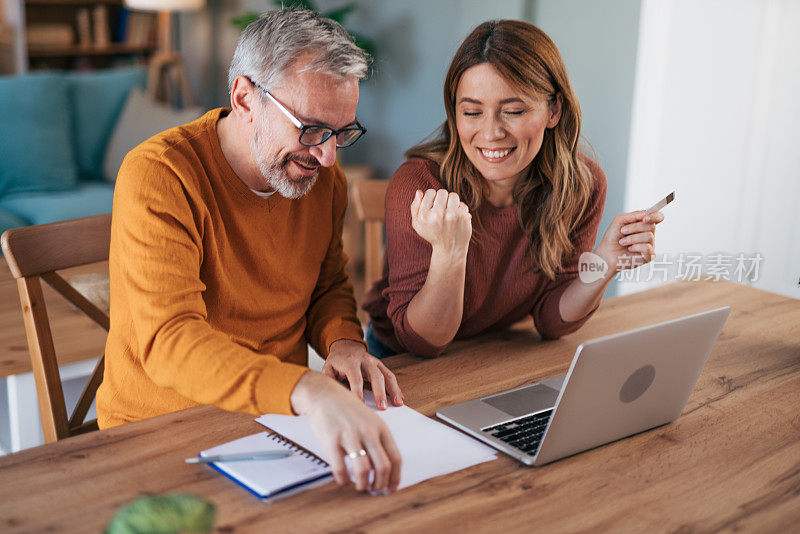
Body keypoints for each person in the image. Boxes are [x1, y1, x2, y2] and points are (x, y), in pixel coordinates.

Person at [96, 8, 403, 493]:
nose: (327, 155)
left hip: (280, 424)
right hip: (160, 436)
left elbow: (327, 283)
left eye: (342, 132)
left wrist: (343, 341)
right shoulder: (159, 176)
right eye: (312, 128)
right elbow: (170, 340)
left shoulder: (323, 179)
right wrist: (308, 391)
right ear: (244, 98)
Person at [363, 20, 664, 358]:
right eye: (472, 111)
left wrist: (605, 263)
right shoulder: (421, 185)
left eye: (514, 111)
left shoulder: (581, 185)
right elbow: (423, 343)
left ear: (554, 110)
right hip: (399, 359)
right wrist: (450, 253)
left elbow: (552, 320)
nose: (491, 133)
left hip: (494, 352)